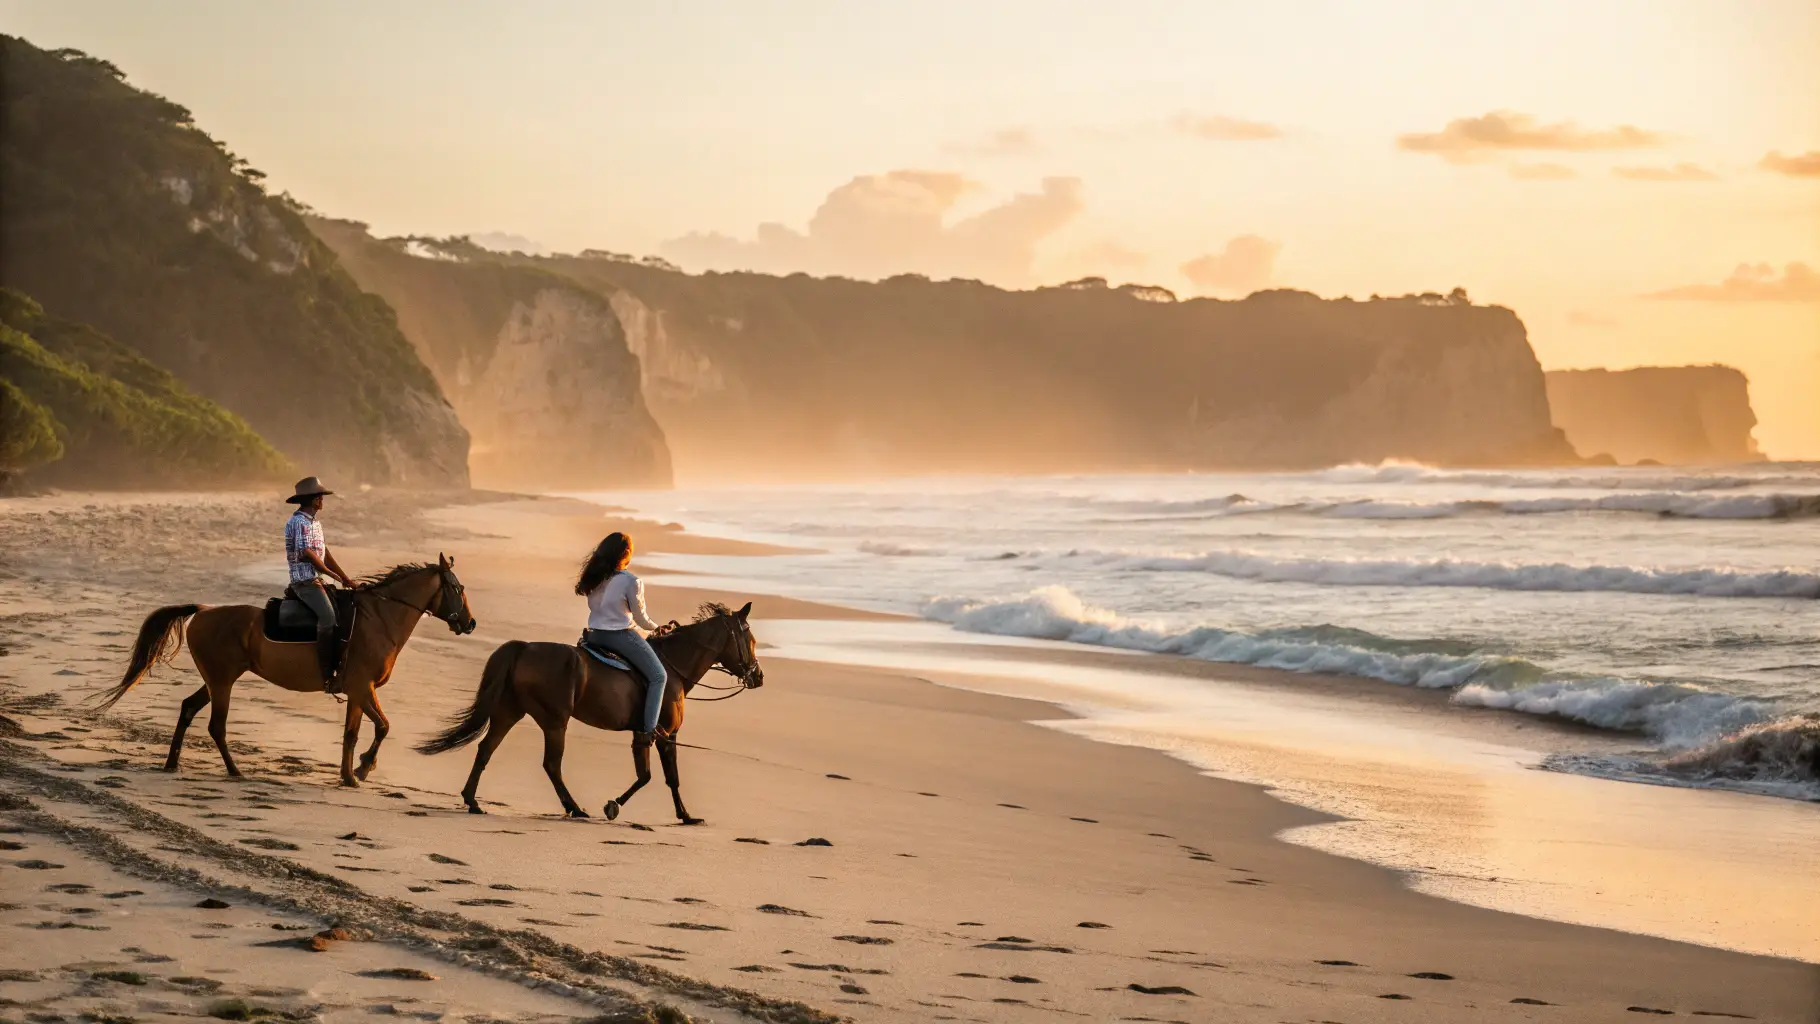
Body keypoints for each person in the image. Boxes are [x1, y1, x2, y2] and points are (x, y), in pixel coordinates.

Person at [577, 532, 669, 739]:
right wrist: (657, 628)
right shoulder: (631, 582)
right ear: (626, 553)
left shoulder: (596, 576)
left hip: (593, 635)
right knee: (658, 676)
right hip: (618, 636)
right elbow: (641, 618)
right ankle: (649, 730)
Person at [284, 476, 354, 694]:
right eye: (320, 497)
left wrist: (345, 578)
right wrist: (331, 574)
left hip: (317, 579)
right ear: (314, 500)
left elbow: (325, 553)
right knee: (328, 618)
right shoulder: (298, 523)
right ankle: (325, 674)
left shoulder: (315, 523)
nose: (323, 500)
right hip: (304, 581)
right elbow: (308, 554)